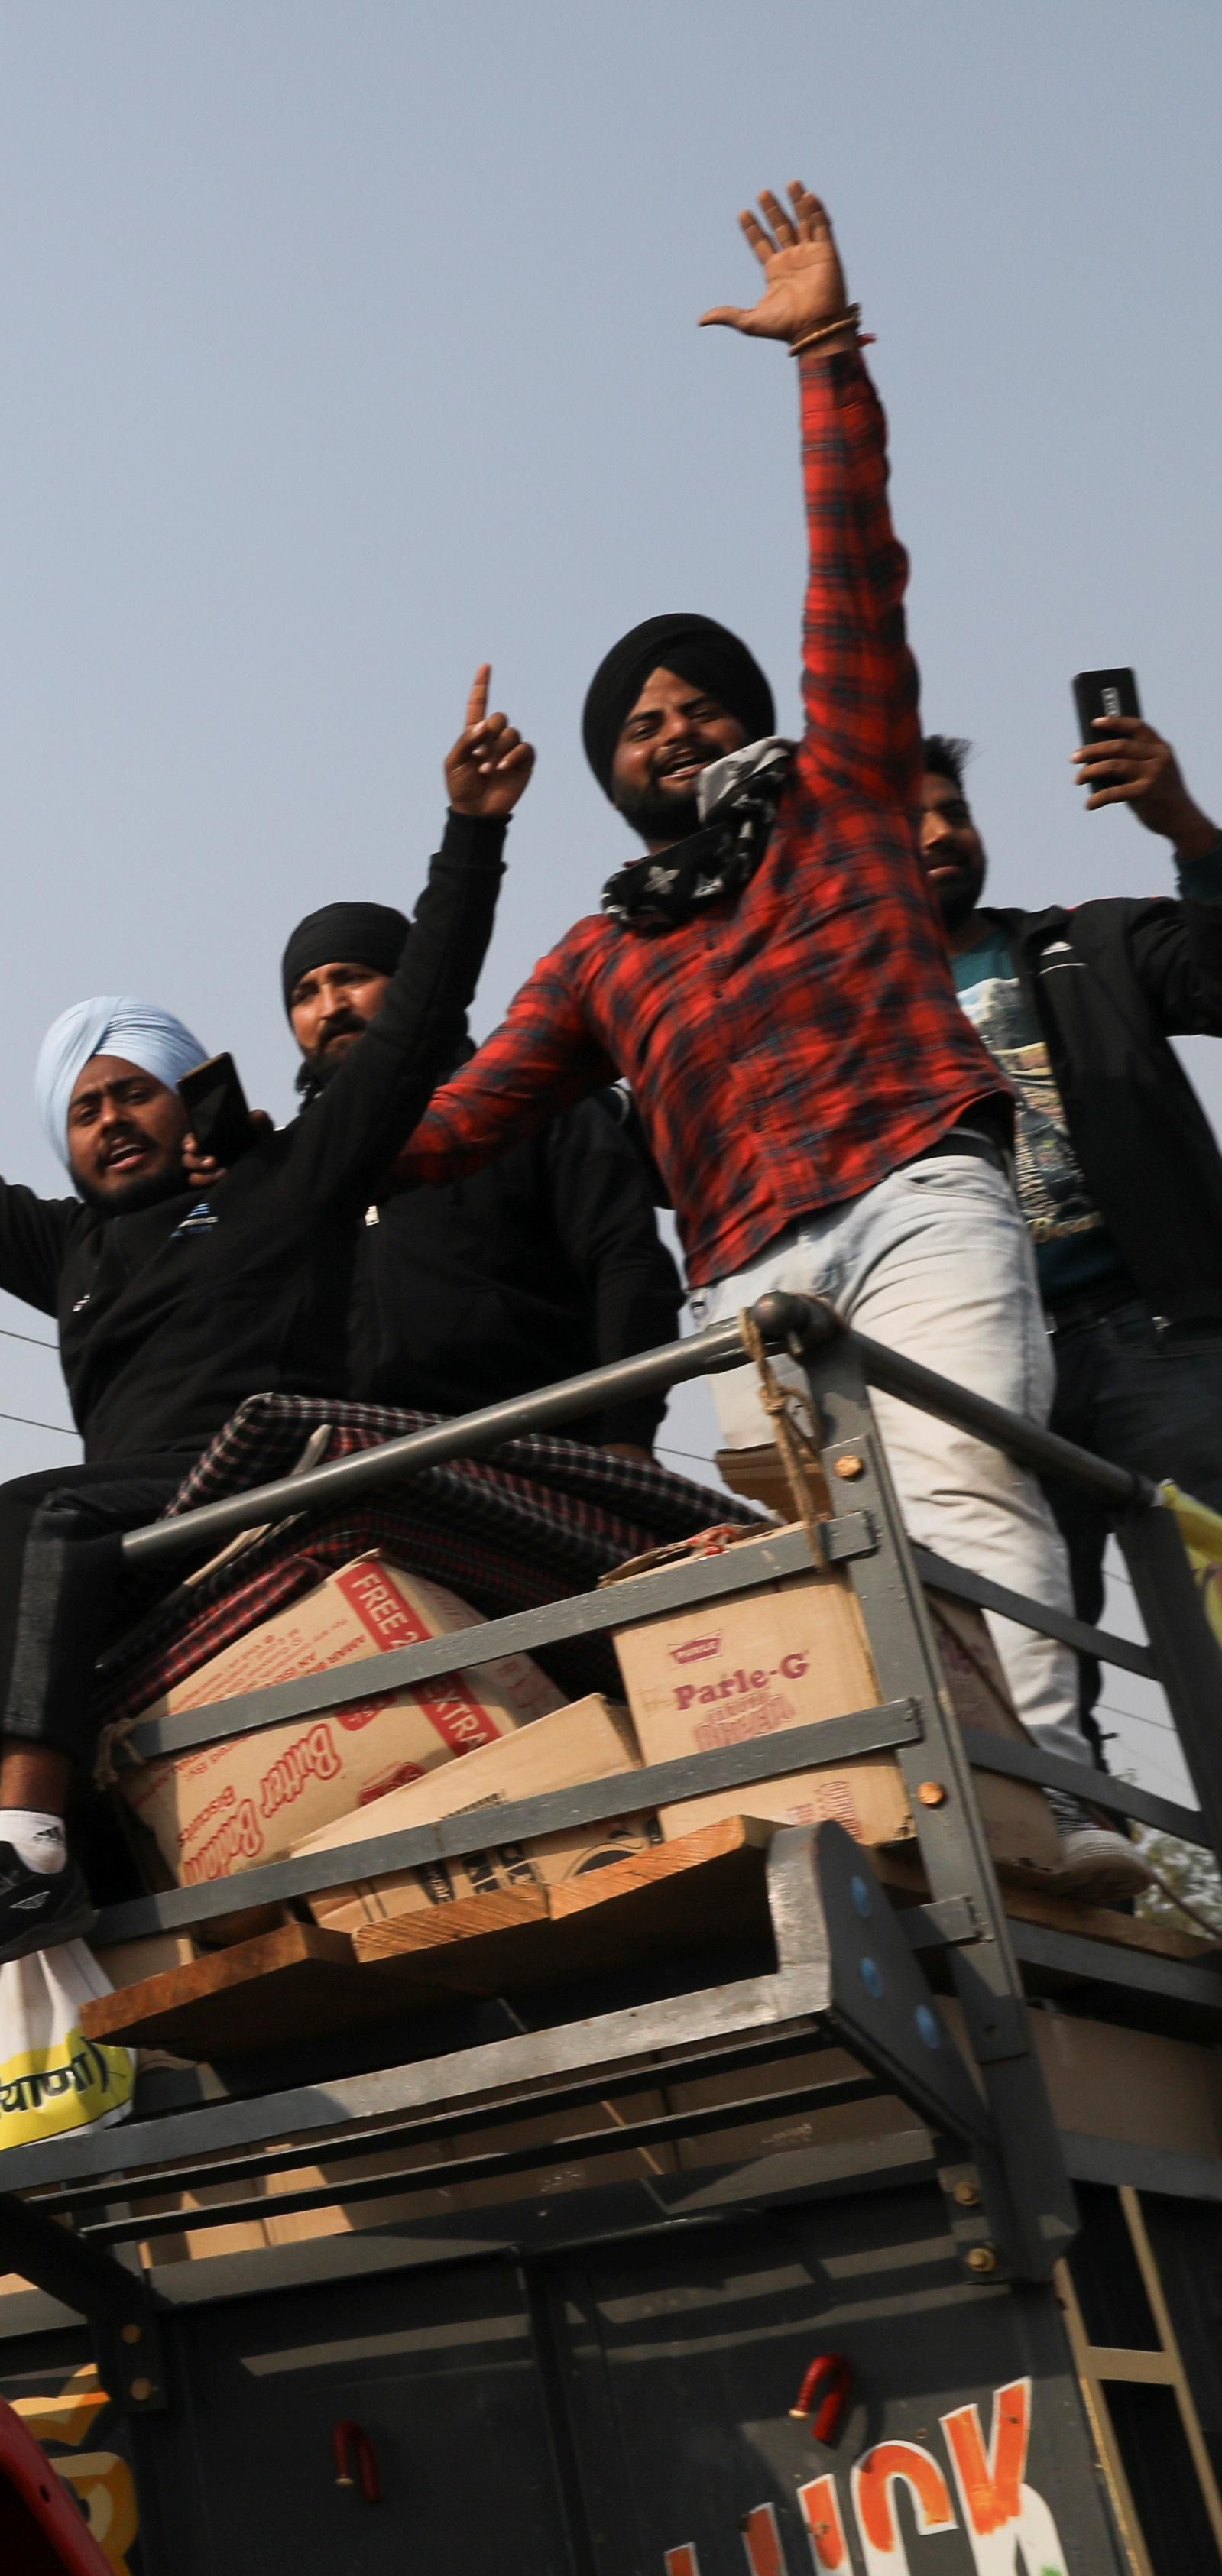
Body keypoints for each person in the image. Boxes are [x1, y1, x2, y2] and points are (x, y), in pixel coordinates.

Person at [388, 186, 1149, 1894]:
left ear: (756, 711)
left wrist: (822, 355)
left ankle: (1066, 1804)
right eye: (641, 725)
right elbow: (451, 1125)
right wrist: (293, 1146)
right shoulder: (604, 952)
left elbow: (856, 570)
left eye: (699, 702)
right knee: (824, 1558)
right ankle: (922, 1816)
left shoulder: (847, 790)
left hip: (915, 1190)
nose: (674, 732)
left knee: (959, 1490)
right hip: (742, 1270)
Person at [0, 672, 529, 1962]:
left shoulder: (287, 1185)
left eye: (133, 1093)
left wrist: (470, 834)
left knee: (35, 1508)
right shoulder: (71, 1246)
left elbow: (410, 1038)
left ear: (190, 1100)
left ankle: (28, 1852)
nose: (112, 1122)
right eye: (84, 1108)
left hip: (237, 1480)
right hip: (123, 1515)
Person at [915, 718, 1222, 1700]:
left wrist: (1184, 827)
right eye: (903, 822)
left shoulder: (1083, 944)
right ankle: (1084, 1849)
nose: (937, 835)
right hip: (985, 1367)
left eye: (951, 813)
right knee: (1031, 1657)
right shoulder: (843, 1023)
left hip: (1157, 1336)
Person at [278, 897, 682, 1447]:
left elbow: (628, 1267)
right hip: (357, 1479)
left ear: (413, 984)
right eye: (305, 994)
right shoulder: (291, 1174)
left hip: (542, 1453)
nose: (330, 1008)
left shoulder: (528, 1110)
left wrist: (626, 1437)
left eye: (352, 978)